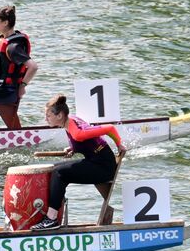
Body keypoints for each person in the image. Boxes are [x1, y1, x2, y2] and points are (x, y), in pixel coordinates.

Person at [33, 94, 127, 231]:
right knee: (54, 168)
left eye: (48, 116)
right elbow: (88, 141)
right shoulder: (70, 121)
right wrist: (73, 148)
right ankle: (54, 216)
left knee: (59, 173)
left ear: (59, 115)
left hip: (103, 167)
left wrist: (119, 144)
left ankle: (51, 219)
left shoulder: (76, 132)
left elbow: (110, 128)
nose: (45, 119)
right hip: (95, 161)